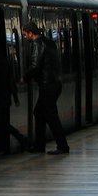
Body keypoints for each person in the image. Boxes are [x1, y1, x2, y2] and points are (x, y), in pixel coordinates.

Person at [23, 21, 70, 155]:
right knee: (39, 112)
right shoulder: (49, 42)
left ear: (31, 33)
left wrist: (24, 78)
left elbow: (35, 66)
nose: (25, 37)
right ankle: (40, 145)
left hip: (47, 85)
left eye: (25, 34)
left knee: (51, 116)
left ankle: (62, 146)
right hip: (55, 84)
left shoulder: (37, 44)